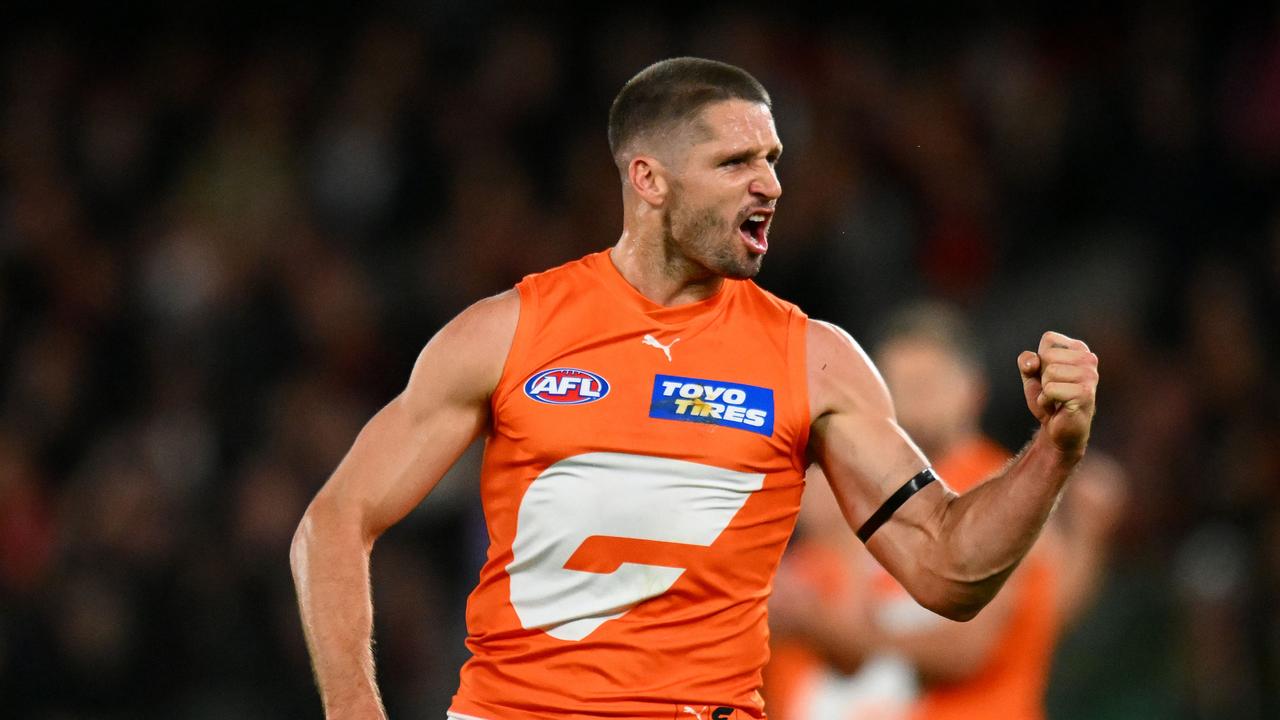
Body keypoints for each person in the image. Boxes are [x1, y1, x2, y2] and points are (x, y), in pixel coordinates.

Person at [289, 57, 1100, 720]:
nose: (771, 185)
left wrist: (1055, 451)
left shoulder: (813, 360)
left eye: (774, 161)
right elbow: (335, 520)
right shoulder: (506, 332)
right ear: (649, 180)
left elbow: (947, 570)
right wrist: (354, 705)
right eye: (737, 162)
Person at [764, 302, 1126, 720]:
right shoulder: (864, 485)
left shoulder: (1006, 488)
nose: (910, 402)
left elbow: (972, 645)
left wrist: (823, 627)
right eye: (896, 385)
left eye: (926, 384)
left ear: (972, 389)